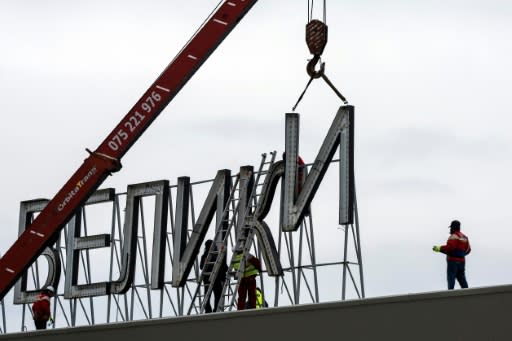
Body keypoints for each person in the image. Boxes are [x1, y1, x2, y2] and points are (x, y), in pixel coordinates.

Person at [433, 220, 471, 290]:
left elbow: (450, 248)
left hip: (453, 262)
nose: (450, 229)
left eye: (451, 228)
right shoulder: (465, 237)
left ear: (453, 227)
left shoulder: (453, 236)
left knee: (451, 278)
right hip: (462, 262)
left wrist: (439, 248)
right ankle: (467, 294)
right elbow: (468, 250)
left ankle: (450, 294)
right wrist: (461, 254)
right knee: (462, 279)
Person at [200, 239, 228, 313]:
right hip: (216, 278)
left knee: (208, 295)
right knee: (217, 294)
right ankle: (215, 309)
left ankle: (208, 310)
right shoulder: (217, 255)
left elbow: (201, 267)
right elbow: (225, 267)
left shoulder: (205, 256)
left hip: (208, 278)